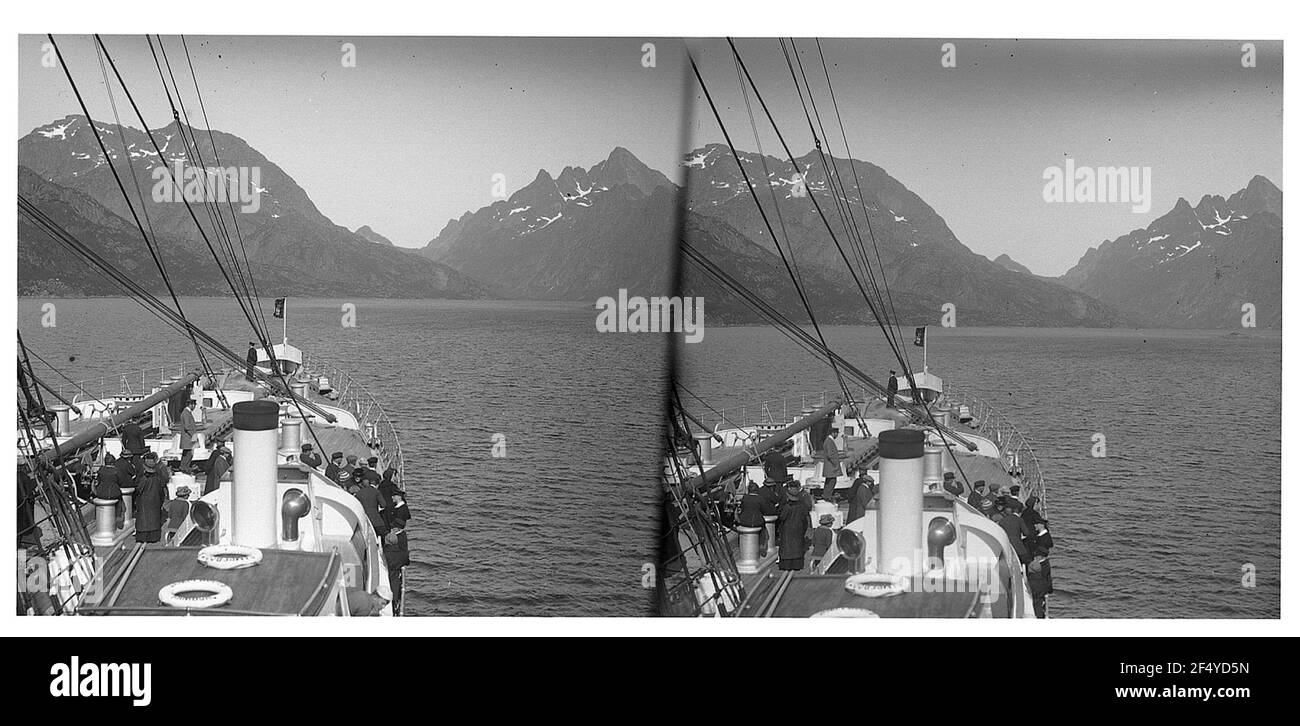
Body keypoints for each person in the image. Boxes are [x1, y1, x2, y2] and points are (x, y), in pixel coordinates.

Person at [777, 481, 812, 571]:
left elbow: (782, 517)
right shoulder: (801, 506)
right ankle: (797, 565)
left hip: (787, 528)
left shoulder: (787, 507)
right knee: (797, 547)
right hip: (798, 528)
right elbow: (805, 518)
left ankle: (786, 566)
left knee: (787, 547)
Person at [133, 453, 168, 543]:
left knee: (143, 519)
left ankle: (142, 538)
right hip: (155, 499)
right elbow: (162, 488)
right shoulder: (158, 476)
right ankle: (153, 537)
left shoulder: (143, 478)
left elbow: (138, 489)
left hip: (144, 500)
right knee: (154, 519)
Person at [997, 498, 1034, 565]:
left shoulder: (1003, 520)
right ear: (1020, 511)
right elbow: (1026, 533)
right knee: (1026, 560)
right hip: (1017, 545)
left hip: (1005, 545)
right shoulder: (1019, 520)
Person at [1025, 547, 1052, 618]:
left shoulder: (1044, 567)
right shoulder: (1044, 564)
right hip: (1042, 588)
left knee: (1037, 607)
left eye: (1037, 555)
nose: (1035, 556)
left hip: (1038, 590)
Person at [819, 427, 844, 502]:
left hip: (830, 466)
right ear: (833, 433)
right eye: (836, 433)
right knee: (832, 482)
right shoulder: (829, 441)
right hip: (831, 467)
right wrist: (836, 464)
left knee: (829, 482)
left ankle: (826, 495)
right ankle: (827, 496)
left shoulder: (828, 441)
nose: (837, 435)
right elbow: (830, 455)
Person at [177, 399, 198, 471]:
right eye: (194, 405)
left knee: (187, 453)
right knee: (189, 454)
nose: (194, 407)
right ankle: (184, 468)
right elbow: (187, 426)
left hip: (189, 437)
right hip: (188, 438)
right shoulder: (186, 413)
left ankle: (185, 467)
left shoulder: (187, 413)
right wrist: (194, 436)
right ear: (191, 405)